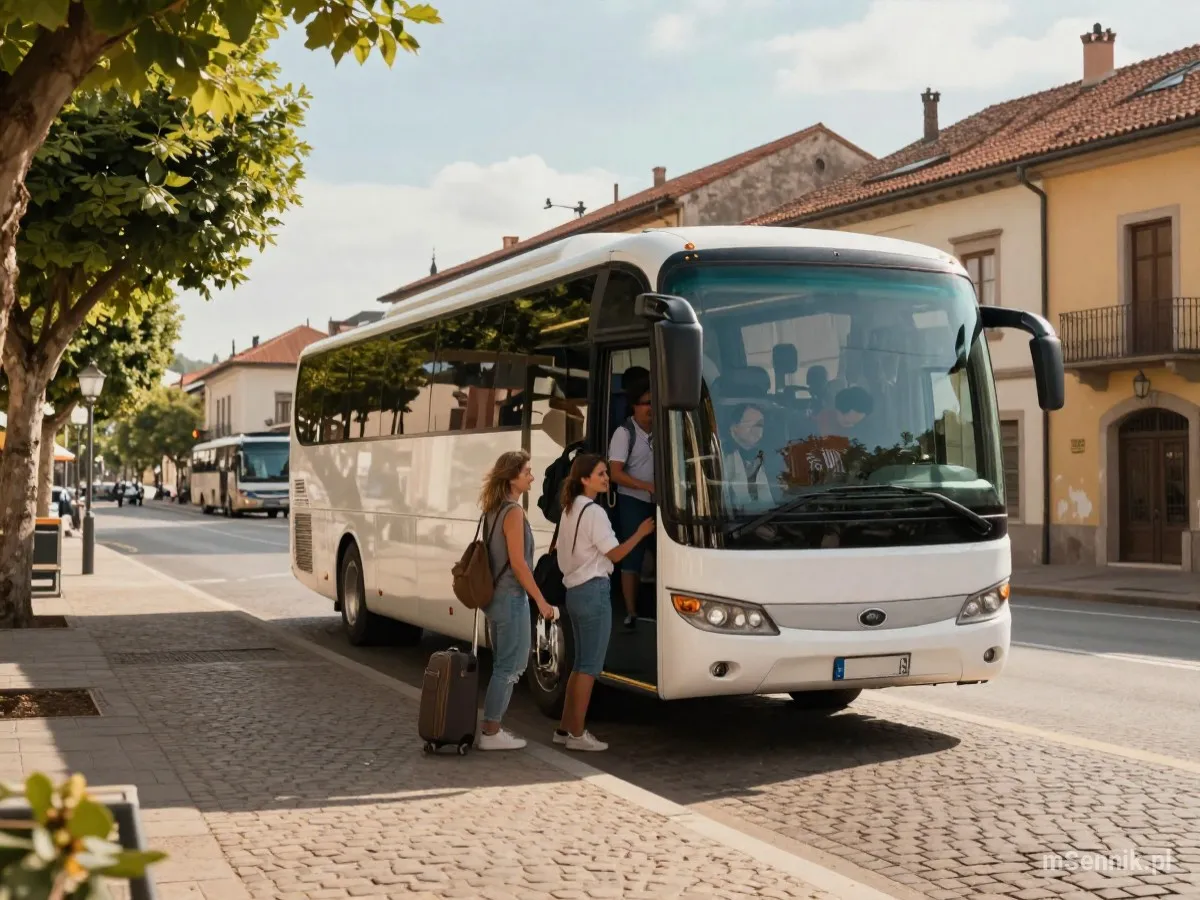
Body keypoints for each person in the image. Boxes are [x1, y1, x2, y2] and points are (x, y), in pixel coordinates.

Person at [554, 453, 655, 751]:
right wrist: (640, 533)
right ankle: (577, 735)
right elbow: (616, 555)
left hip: (574, 591)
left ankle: (564, 729)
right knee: (590, 667)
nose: (605, 478)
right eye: (600, 474)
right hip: (594, 590)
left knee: (579, 664)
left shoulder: (569, 508)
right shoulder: (595, 512)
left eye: (605, 473)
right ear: (584, 479)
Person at [477, 450, 557, 751]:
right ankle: (491, 730)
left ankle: (491, 727)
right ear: (513, 478)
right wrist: (542, 601)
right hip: (511, 597)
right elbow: (519, 564)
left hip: (495, 598)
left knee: (503, 664)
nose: (532, 477)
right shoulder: (512, 512)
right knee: (510, 666)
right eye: (527, 472)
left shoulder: (492, 509)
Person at [607, 372, 655, 630]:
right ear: (634, 406)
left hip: (660, 500)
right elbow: (615, 473)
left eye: (654, 402)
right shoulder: (624, 433)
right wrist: (645, 486)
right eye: (646, 402)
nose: (650, 408)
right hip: (633, 501)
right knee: (632, 556)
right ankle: (631, 611)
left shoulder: (665, 429)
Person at [723, 402, 776, 510]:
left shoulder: (771, 457)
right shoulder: (719, 455)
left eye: (759, 425)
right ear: (734, 427)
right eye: (750, 423)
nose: (756, 429)